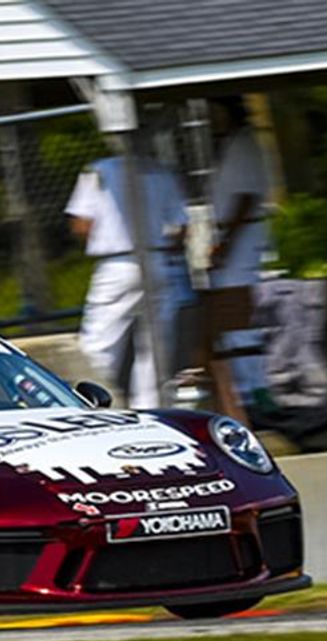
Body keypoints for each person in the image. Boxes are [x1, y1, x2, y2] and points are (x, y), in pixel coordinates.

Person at [66, 148, 193, 408]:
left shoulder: (99, 170)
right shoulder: (160, 170)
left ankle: (89, 405)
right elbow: (181, 225)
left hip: (116, 262)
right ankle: (151, 410)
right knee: (155, 349)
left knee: (98, 344)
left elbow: (82, 224)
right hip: (157, 259)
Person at [208, 95, 272, 406]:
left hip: (243, 237)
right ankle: (245, 387)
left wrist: (226, 244)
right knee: (229, 315)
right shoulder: (230, 144)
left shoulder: (244, 143)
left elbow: (245, 198)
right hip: (231, 233)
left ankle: (256, 390)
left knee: (238, 312)